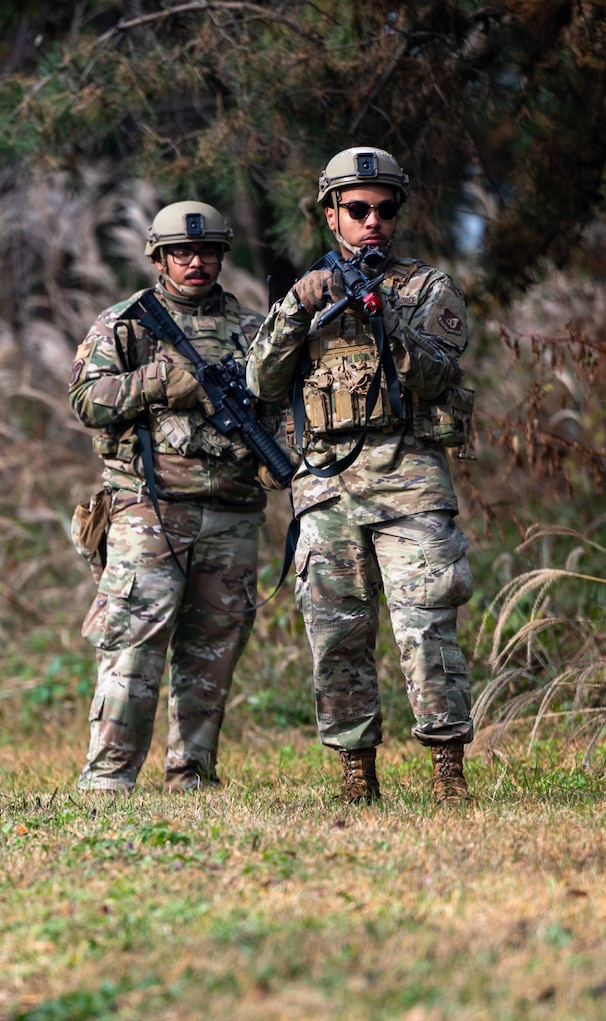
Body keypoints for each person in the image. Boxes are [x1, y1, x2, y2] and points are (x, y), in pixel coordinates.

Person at [246, 148, 478, 804]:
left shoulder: (427, 288)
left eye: (384, 209)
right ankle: (357, 773)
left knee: (426, 623)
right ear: (331, 215)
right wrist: (297, 310)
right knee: (336, 632)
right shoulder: (305, 292)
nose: (371, 221)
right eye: (356, 209)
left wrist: (382, 316)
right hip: (328, 481)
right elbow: (260, 381)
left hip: (409, 476)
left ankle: (448, 770)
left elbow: (437, 373)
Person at [67, 201, 278, 794]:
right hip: (149, 507)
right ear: (158, 259)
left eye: (207, 251)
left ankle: (192, 775)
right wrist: (159, 381)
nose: (195, 262)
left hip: (233, 510)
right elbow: (85, 399)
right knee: (132, 643)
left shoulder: (253, 329)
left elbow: (280, 406)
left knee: (215, 648)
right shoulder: (127, 324)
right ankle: (109, 780)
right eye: (181, 252)